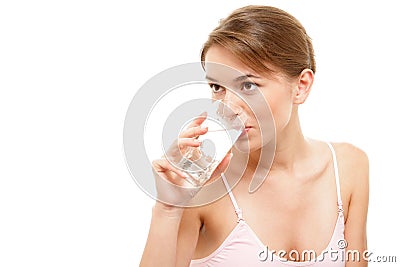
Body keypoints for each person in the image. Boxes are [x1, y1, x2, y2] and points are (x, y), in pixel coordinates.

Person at [140, 5, 369, 267]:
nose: (227, 107)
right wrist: (167, 209)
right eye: (217, 87)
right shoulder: (203, 190)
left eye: (248, 85)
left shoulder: (349, 168)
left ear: (301, 87)